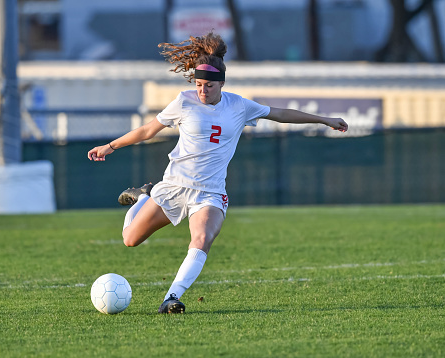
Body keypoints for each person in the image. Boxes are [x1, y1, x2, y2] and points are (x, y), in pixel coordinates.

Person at [88, 32, 348, 314]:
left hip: (210, 192)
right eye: (198, 84)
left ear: (221, 83)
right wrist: (111, 145)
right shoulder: (184, 101)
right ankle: (142, 198)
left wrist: (324, 119)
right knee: (130, 239)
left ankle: (171, 297)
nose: (202, 90)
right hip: (174, 186)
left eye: (208, 85)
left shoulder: (239, 105)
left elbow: (281, 114)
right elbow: (147, 130)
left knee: (201, 240)